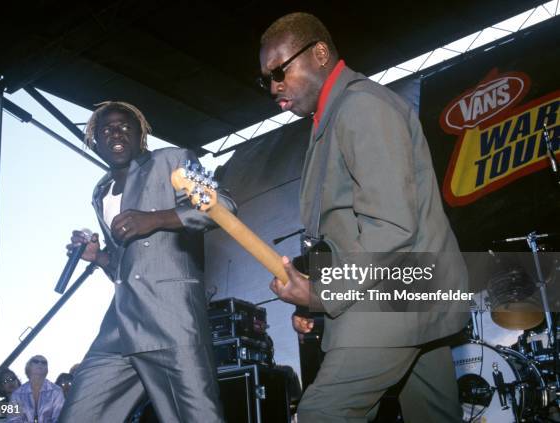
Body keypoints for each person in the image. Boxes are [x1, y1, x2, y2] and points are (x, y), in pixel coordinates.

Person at [261, 13, 468, 422]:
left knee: (322, 414)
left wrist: (323, 294)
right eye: (265, 79)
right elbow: (348, 233)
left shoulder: (360, 106)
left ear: (319, 53)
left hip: (396, 300)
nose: (274, 87)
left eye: (280, 70)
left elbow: (390, 226)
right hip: (409, 298)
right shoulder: (334, 117)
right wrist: (315, 299)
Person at [59, 101, 236, 422]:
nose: (117, 132)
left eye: (125, 126)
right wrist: (98, 257)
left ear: (141, 135)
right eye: (107, 128)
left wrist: (157, 219)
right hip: (120, 328)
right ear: (93, 139)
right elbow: (127, 266)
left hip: (172, 322)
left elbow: (222, 205)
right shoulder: (100, 192)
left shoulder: (173, 159)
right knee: (79, 414)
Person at [6, 355, 64, 423]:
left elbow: (59, 418)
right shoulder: (17, 394)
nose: (40, 364)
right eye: (36, 361)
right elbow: (12, 420)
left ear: (47, 369)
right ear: (28, 367)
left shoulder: (56, 391)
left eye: (44, 362)